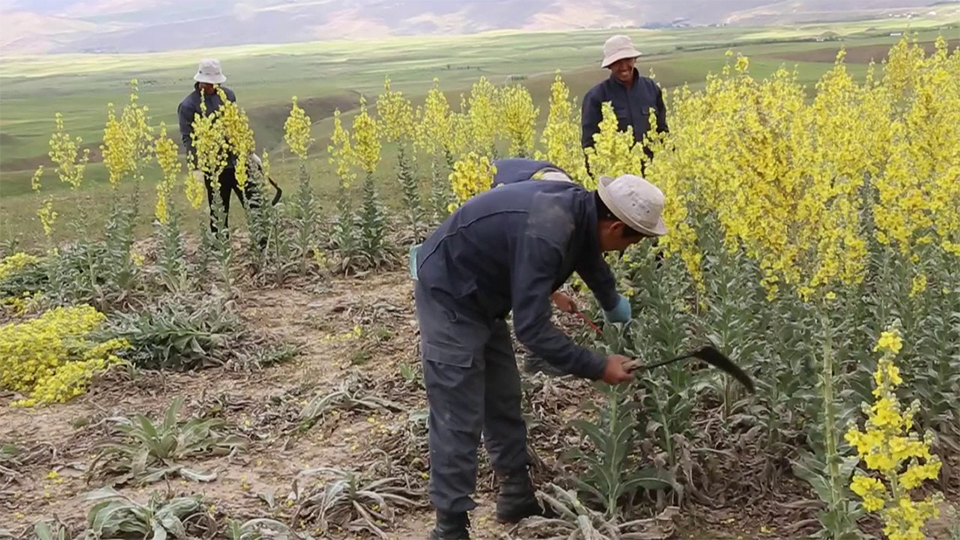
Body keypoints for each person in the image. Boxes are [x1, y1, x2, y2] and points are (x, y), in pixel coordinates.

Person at [409, 158, 668, 539]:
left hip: (487, 294)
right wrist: (598, 366)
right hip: (449, 292)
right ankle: (449, 526)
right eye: (629, 243)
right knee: (457, 410)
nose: (621, 252)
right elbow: (532, 329)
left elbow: (590, 257)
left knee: (502, 396)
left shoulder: (579, 209)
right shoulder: (550, 230)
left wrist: (613, 303)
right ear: (615, 226)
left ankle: (516, 493)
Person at [178, 58, 261, 233]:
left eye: (215, 83)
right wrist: (196, 168)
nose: (213, 87)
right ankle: (220, 252)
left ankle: (261, 246)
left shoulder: (228, 95)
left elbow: (236, 126)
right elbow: (189, 139)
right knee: (219, 212)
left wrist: (250, 153)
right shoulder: (188, 106)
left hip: (237, 160)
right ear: (200, 81)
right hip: (213, 166)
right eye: (209, 83)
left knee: (255, 205)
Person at [581, 35, 668, 161]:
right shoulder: (596, 97)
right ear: (609, 66)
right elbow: (589, 145)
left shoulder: (651, 89)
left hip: (652, 172)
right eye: (616, 62)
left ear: (635, 59)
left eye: (627, 59)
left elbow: (663, 132)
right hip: (616, 177)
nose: (623, 67)